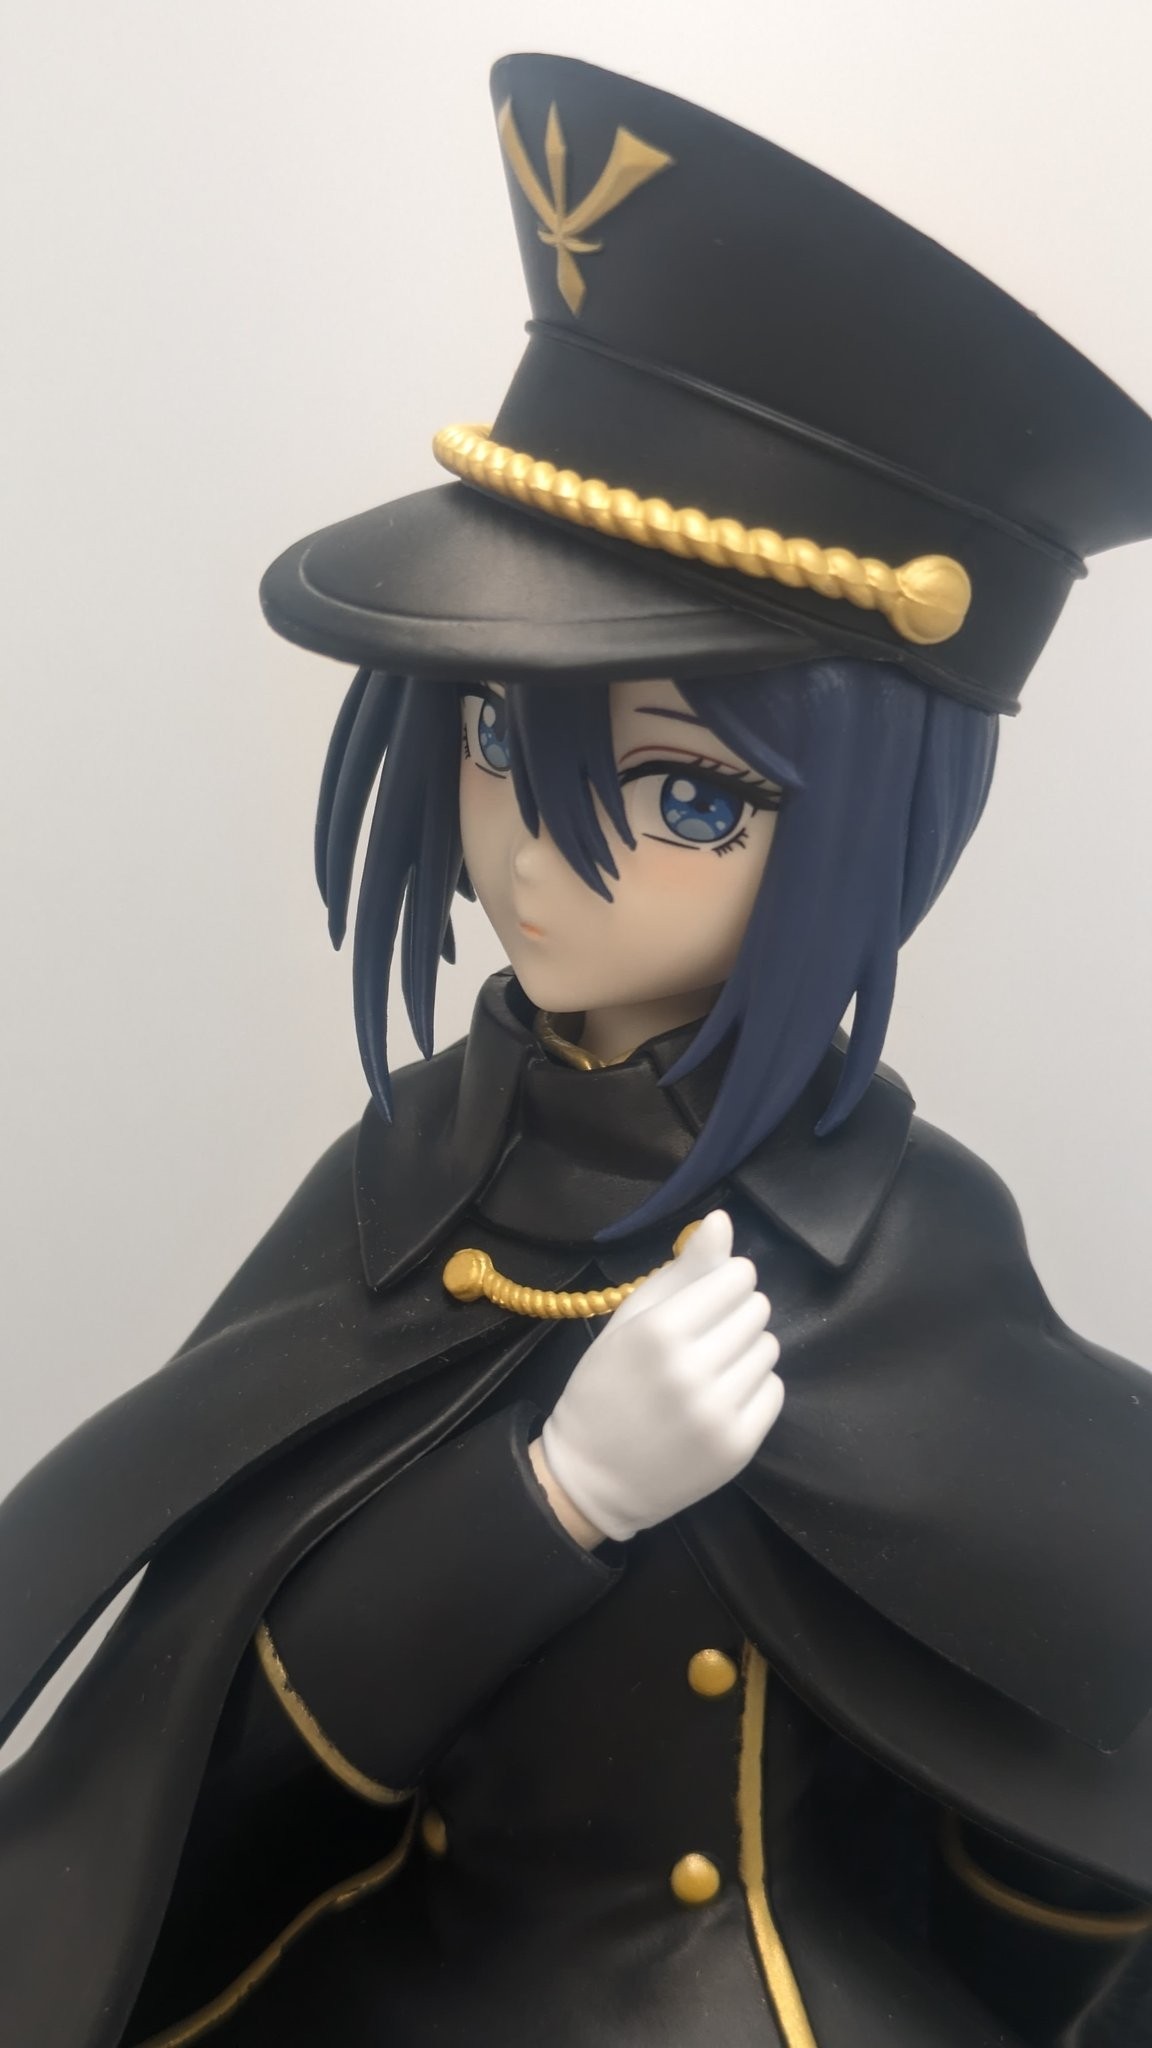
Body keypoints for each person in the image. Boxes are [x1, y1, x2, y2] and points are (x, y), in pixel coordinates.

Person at [1, 50, 1151, 2048]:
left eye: (688, 794)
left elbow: (1058, 1781)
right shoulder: (403, 1185)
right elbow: (221, 1754)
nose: (537, 859)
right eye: (493, 736)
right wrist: (550, 1502)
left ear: (871, 824)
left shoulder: (904, 1252)